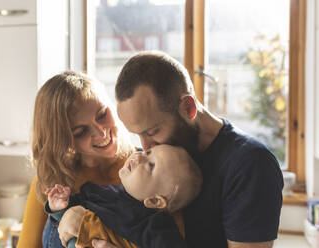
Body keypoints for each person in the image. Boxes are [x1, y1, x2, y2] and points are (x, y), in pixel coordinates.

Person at [69, 51, 282, 248]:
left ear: (188, 107)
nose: (144, 147)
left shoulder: (250, 165)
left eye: (152, 131)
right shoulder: (156, 159)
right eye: (138, 135)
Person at [17, 71, 134, 248]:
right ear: (63, 140)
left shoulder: (149, 167)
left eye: (102, 114)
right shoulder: (50, 184)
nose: (101, 133)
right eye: (81, 132)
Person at [45, 144, 202, 248]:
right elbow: (64, 224)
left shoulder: (154, 227)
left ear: (154, 200)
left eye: (150, 165)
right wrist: (61, 205)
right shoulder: (103, 192)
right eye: (148, 152)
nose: (139, 155)